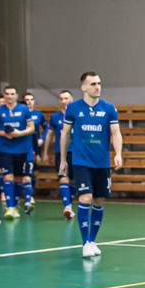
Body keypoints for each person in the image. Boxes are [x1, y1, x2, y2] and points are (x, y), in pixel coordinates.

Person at [60, 71, 123, 257]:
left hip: (102, 163)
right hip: (81, 162)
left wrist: (118, 153)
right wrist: (63, 160)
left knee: (98, 201)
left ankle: (93, 240)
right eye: (93, 84)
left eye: (99, 83)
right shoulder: (73, 108)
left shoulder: (109, 108)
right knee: (85, 198)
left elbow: (116, 133)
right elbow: (65, 134)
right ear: (83, 87)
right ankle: (85, 242)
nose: (97, 87)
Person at [0, 85, 36, 219]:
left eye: (12, 94)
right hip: (5, 149)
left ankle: (15, 205)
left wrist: (18, 133)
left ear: (16, 96)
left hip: (22, 149)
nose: (9, 96)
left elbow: (32, 128)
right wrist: (4, 134)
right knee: (8, 177)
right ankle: (9, 208)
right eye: (7, 94)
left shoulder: (24, 109)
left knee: (17, 179)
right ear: (4, 96)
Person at [44, 90, 75, 218]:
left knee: (74, 180)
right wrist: (45, 152)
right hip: (61, 153)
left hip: (76, 152)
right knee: (63, 178)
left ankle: (70, 205)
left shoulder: (77, 115)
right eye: (61, 99)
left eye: (66, 98)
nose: (63, 101)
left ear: (71, 99)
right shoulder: (55, 117)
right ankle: (67, 206)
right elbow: (49, 135)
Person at [24, 92, 45, 211]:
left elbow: (46, 127)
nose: (29, 102)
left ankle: (30, 193)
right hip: (22, 147)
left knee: (34, 171)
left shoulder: (38, 114)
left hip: (34, 146)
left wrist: (42, 139)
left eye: (31, 99)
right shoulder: (21, 114)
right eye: (26, 100)